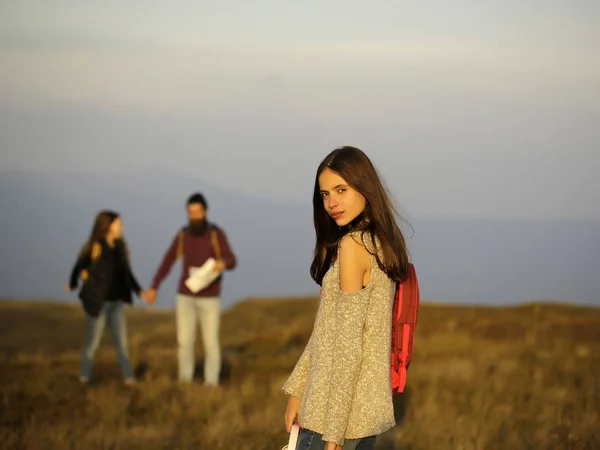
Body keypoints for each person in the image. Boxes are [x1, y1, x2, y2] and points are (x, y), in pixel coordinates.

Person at [282, 147, 411, 450]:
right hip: (361, 417)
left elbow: (349, 347)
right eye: (325, 194)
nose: (332, 203)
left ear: (365, 188)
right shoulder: (379, 241)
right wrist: (297, 393)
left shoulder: (354, 246)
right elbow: (327, 331)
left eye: (341, 190)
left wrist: (333, 436)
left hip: (334, 419)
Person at [144, 192, 237, 386]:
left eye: (197, 212)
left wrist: (223, 263)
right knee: (184, 342)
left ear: (205, 211)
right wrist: (154, 286)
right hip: (185, 296)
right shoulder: (183, 235)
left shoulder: (215, 234)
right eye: (190, 212)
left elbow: (232, 259)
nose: (194, 216)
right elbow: (168, 261)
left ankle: (211, 384)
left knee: (211, 343)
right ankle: (185, 382)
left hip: (209, 298)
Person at [65, 210, 147, 385]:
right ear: (108, 226)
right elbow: (79, 266)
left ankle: (128, 378)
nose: (122, 227)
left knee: (122, 343)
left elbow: (127, 274)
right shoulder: (95, 247)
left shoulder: (120, 248)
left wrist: (140, 291)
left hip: (117, 303)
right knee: (92, 344)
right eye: (119, 223)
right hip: (99, 302)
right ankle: (84, 377)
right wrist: (72, 284)